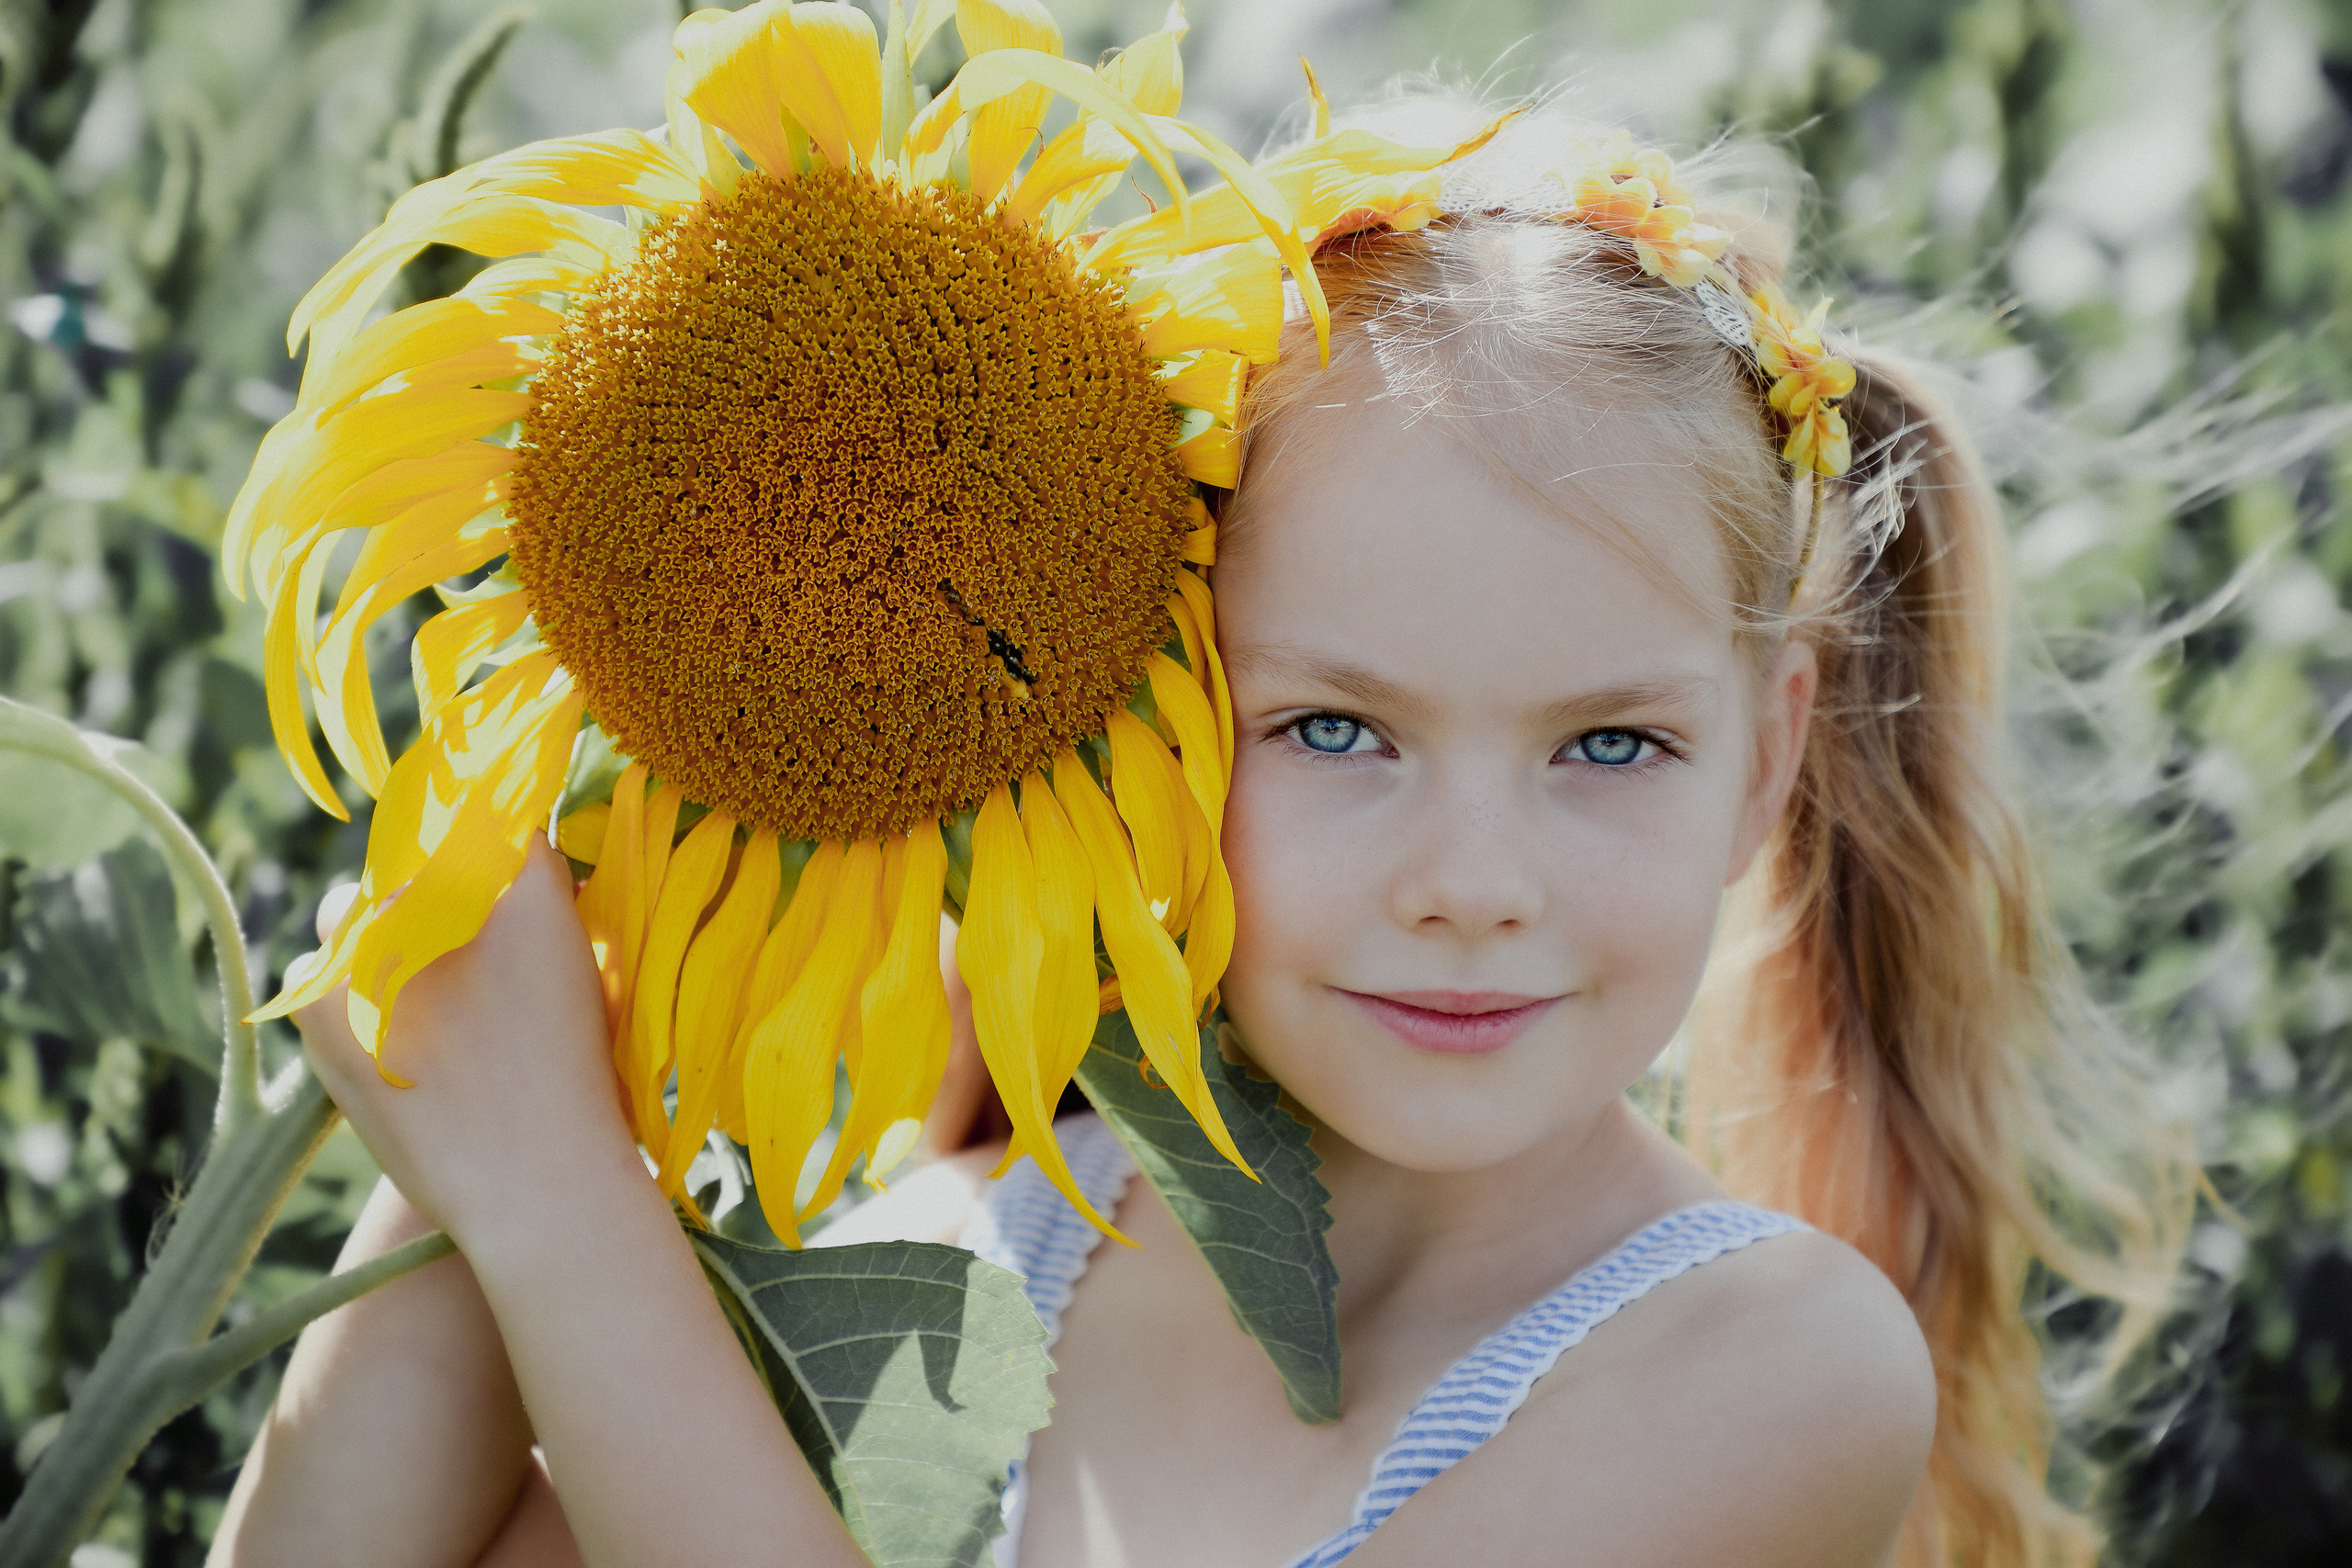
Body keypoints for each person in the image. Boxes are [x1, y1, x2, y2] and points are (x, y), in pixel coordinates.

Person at [208, 97, 2190, 1568]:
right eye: (1333, 726)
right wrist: (509, 1118)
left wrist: (563, 1209)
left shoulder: (1762, 1361)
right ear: (1129, 724)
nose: (1469, 878)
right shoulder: (969, 1249)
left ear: (1770, 754)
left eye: (1607, 745)